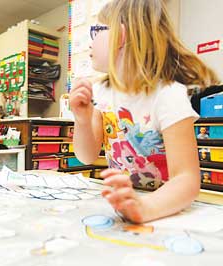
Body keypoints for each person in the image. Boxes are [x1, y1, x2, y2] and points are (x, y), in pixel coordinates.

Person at [70, 0, 219, 223]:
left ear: (120, 36)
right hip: (125, 206)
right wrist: (81, 120)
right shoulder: (101, 91)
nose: (90, 43)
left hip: (165, 209)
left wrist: (144, 207)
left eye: (97, 31)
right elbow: (86, 156)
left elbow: (187, 179)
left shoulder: (168, 95)